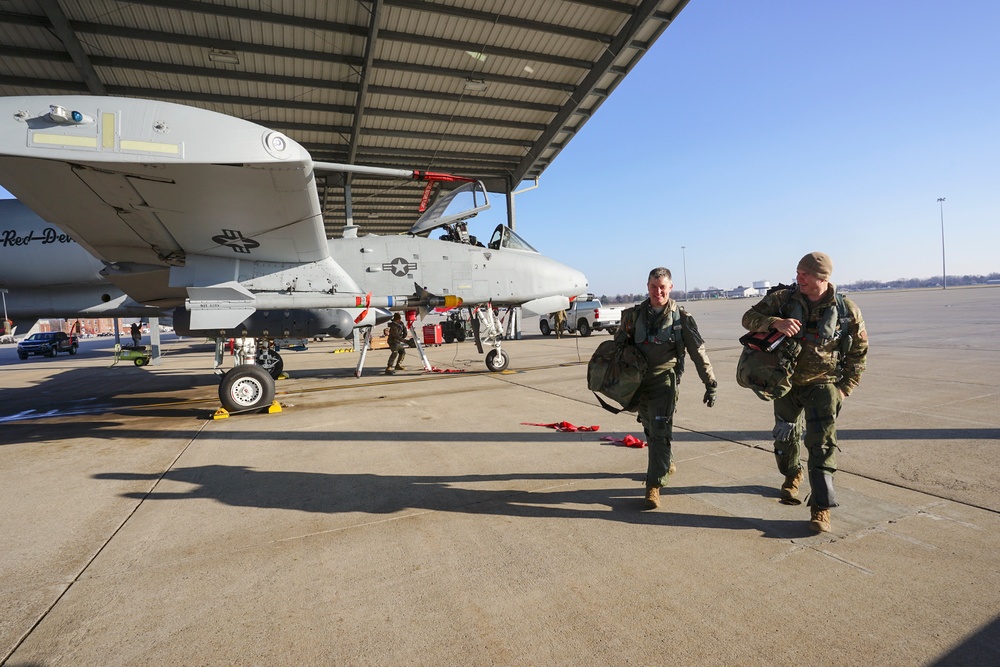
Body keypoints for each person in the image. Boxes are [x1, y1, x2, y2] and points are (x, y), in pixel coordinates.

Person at [741, 252, 868, 533]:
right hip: (785, 384)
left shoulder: (847, 310)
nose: (799, 279)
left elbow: (859, 354)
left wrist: (844, 389)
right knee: (785, 437)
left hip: (824, 384)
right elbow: (748, 318)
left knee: (821, 446)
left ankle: (821, 508)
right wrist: (775, 322)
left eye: (805, 275)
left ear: (823, 278)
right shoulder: (783, 299)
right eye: (798, 273)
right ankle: (792, 474)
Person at [614, 267, 718, 510]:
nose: (657, 291)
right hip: (638, 384)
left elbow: (697, 352)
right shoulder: (632, 316)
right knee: (650, 430)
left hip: (664, 382)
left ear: (670, 288)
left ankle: (654, 484)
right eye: (653, 286)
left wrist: (710, 383)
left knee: (660, 431)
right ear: (647, 287)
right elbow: (618, 348)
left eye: (662, 287)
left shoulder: (682, 319)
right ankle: (666, 461)